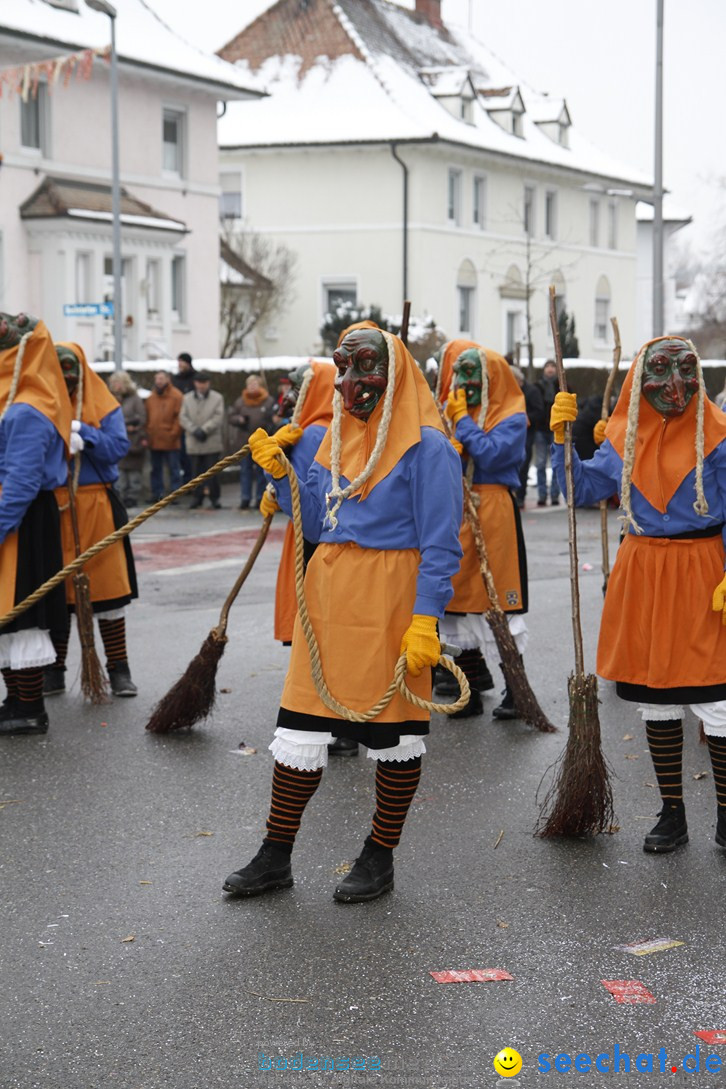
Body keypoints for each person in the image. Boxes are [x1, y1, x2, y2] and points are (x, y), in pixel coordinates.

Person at [223, 328, 463, 902]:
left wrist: (426, 619)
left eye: (366, 368)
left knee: (392, 735)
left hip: (389, 602)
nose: (352, 383)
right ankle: (275, 855)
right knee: (300, 727)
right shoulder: (331, 439)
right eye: (343, 368)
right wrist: (280, 475)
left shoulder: (429, 447)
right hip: (328, 599)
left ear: (395, 374)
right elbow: (313, 525)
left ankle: (379, 856)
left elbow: (441, 546)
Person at [550, 336, 726, 853]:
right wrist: (567, 439)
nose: (675, 384)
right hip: (643, 571)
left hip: (704, 573)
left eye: (686, 369)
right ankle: (672, 814)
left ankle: (725, 813)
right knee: (658, 700)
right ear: (637, 380)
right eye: (661, 371)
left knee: (716, 696)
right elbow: (583, 491)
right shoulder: (623, 437)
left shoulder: (718, 436)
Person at [435, 339, 529, 719]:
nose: (463, 382)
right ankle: (468, 690)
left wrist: (464, 424)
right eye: (458, 372)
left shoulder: (512, 415)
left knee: (498, 604)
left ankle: (517, 692)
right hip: (457, 508)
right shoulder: (451, 411)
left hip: (493, 512)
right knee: (457, 603)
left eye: (471, 373)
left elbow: (492, 453)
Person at [45, 343, 139, 698]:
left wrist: (85, 432)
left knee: (107, 588)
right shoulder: (42, 400)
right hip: (55, 505)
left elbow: (118, 447)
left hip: (96, 503)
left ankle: (119, 669)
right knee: (56, 589)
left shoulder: (105, 404)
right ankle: (54, 669)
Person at [0, 312, 72, 736]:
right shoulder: (13, 400)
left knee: (20, 612)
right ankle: (16, 700)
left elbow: (22, 481)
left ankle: (29, 705)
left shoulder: (28, 407)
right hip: (17, 514)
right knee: (8, 613)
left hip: (20, 519)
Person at [228, 374, 275, 509]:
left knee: (261, 472)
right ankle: (245, 498)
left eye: (255, 384)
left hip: (262, 443)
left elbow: (273, 418)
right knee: (245, 471)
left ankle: (260, 497)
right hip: (245, 442)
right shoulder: (240, 401)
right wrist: (239, 420)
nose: (252, 387)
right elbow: (231, 417)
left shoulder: (268, 401)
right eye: (250, 384)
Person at [180, 371, 225, 509]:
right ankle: (196, 497)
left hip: (211, 440)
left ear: (208, 383)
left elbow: (218, 416)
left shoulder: (217, 398)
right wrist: (194, 430)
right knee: (195, 473)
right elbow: (183, 417)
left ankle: (214, 498)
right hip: (194, 440)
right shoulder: (187, 398)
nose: (201, 385)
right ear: (195, 383)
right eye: (199, 382)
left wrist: (205, 430)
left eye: (204, 382)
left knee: (213, 472)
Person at [108, 370, 146, 508]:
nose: (116, 385)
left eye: (118, 382)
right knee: (120, 472)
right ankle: (121, 495)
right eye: (114, 383)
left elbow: (141, 417)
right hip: (117, 438)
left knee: (134, 473)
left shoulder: (134, 398)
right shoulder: (110, 397)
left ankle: (133, 496)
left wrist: (128, 423)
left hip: (133, 439)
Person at [145, 370, 183, 502]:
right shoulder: (151, 397)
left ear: (168, 379)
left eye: (161, 378)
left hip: (170, 439)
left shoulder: (176, 396)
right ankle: (157, 493)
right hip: (154, 439)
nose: (158, 381)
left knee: (173, 468)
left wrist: (173, 433)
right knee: (155, 469)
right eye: (157, 379)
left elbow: (180, 418)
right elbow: (148, 416)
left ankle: (175, 494)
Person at [528, 359, 560, 507]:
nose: (550, 369)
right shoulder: (537, 387)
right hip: (541, 429)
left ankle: (554, 495)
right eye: (548, 366)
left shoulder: (561, 386)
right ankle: (542, 495)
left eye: (553, 366)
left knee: (556, 464)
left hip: (556, 429)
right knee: (540, 463)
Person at [172, 353, 197, 483]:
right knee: (180, 455)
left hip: (192, 421)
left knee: (192, 456)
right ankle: (185, 481)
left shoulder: (195, 379)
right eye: (179, 362)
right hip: (178, 421)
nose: (180, 365)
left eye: (182, 362)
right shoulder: (175, 379)